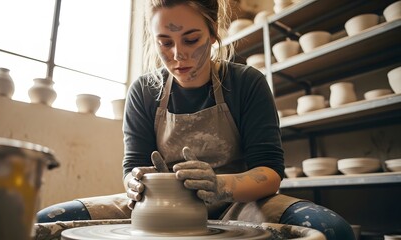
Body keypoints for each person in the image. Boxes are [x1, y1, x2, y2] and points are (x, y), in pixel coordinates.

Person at [37, 0, 355, 239]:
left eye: (191, 39)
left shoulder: (246, 83)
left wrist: (220, 185)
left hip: (240, 204)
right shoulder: (144, 92)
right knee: (48, 221)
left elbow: (270, 173)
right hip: (158, 205)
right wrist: (136, 181)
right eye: (165, 42)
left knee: (332, 230)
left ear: (213, 33)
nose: (178, 55)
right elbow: (131, 165)